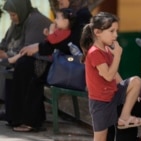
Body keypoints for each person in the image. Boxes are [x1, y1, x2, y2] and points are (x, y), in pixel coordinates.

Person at [5, 0, 92, 132]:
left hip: (70, 67)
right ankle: (16, 116)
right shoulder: (69, 13)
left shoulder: (82, 16)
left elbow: (72, 43)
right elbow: (55, 42)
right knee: (24, 64)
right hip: (61, 62)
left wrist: (39, 47)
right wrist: (41, 46)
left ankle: (31, 121)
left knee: (32, 70)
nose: (58, 1)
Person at [80, 11, 141, 141]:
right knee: (101, 138)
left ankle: (124, 117)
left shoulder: (106, 49)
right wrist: (117, 55)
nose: (115, 35)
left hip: (113, 95)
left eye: (116, 31)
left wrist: (129, 91)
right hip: (100, 102)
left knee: (136, 81)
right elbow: (108, 76)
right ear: (97, 32)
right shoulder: (94, 52)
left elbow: (115, 73)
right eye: (112, 31)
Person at [0, 0, 51, 121]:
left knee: (15, 65)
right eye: (10, 15)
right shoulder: (19, 20)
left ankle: (15, 115)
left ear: (21, 10)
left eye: (13, 15)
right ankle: (10, 110)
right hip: (17, 59)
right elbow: (5, 42)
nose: (12, 18)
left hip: (37, 63)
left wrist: (8, 56)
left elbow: (28, 50)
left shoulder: (36, 21)